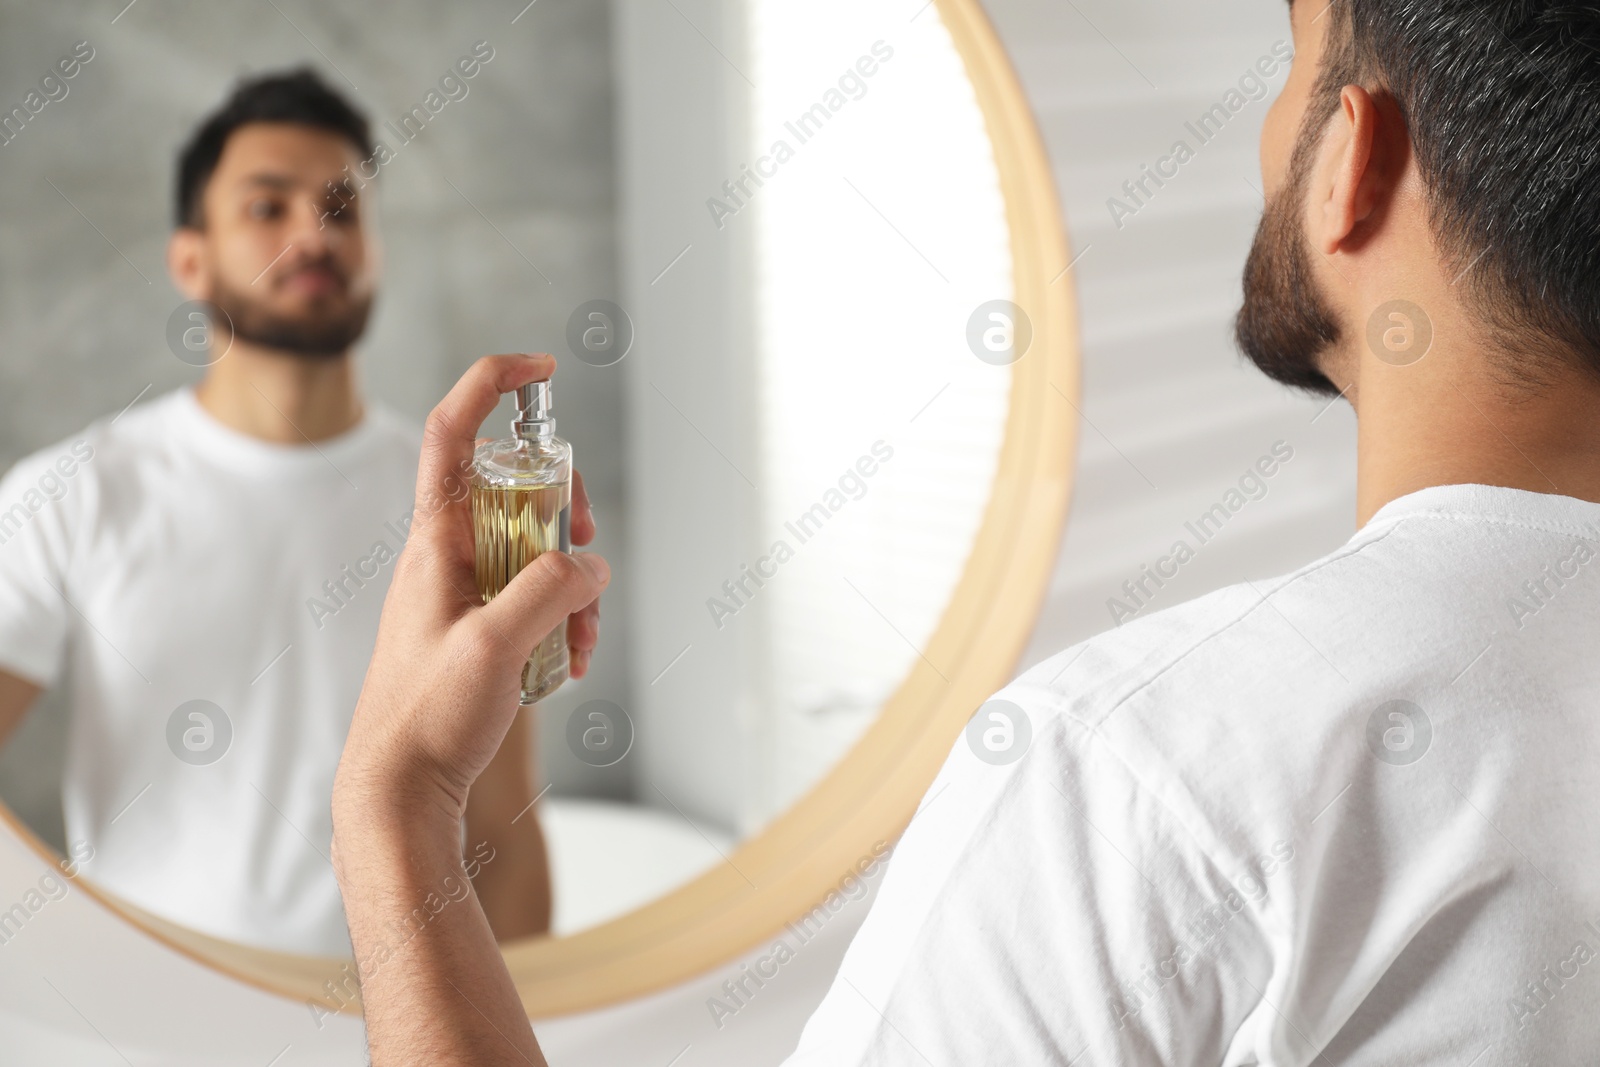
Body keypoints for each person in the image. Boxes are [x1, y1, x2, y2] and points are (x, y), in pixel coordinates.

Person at [330, 0, 1600, 1062]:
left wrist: (396, 804)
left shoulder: (1146, 779)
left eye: (1292, 60)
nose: (1271, 125)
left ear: (1352, 166)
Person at [0, 69, 594, 955]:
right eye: (267, 208)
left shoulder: (464, 505)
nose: (315, 234)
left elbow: (501, 835)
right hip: (152, 1024)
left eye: (343, 209)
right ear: (189, 258)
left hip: (392, 1023)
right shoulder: (75, 496)